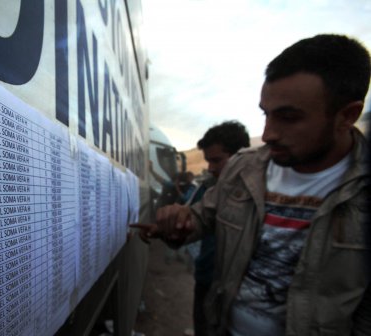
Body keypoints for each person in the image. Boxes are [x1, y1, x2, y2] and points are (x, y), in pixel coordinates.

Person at [131, 34, 371, 335]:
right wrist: (177, 221)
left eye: (288, 117)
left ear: (347, 115)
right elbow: (203, 216)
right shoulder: (245, 167)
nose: (268, 133)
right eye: (265, 114)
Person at [189, 121, 250, 336]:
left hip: (235, 289)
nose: (211, 168)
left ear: (240, 156)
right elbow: (191, 218)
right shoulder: (208, 189)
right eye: (208, 161)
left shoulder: (260, 194)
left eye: (216, 160)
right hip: (206, 278)